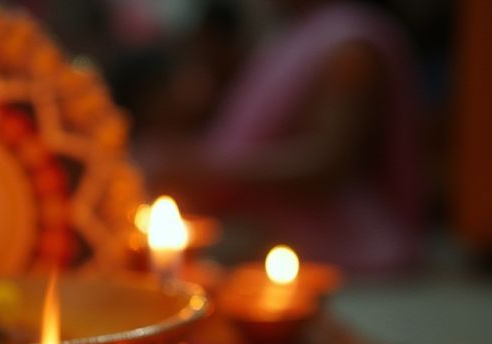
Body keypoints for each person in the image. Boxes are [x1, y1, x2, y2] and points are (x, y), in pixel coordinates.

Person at [147, 0, 422, 272]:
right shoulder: (291, 33)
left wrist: (208, 170)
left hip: (336, 244)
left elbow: (329, 163)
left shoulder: (350, 47)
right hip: (266, 227)